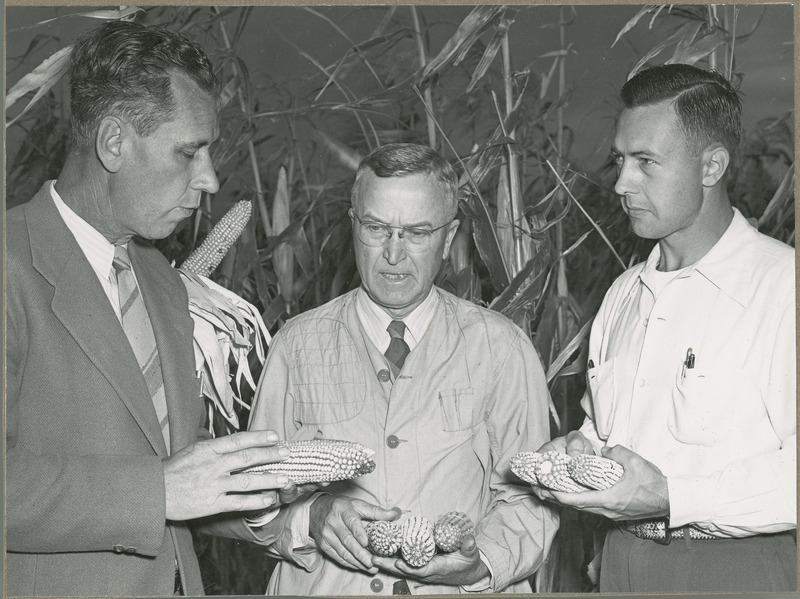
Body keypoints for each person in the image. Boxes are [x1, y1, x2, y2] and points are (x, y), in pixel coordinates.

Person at [5, 20, 304, 597]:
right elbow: (160, 489)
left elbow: (178, 484)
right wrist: (160, 489)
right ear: (114, 142)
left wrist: (291, 515)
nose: (211, 179)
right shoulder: (9, 265)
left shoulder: (162, 284)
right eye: (189, 152)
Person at [241, 143, 559, 595]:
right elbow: (252, 506)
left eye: (417, 232)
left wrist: (476, 565)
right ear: (353, 226)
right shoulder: (296, 344)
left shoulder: (502, 348)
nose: (394, 253)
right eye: (376, 228)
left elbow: (532, 501)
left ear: (449, 238)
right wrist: (307, 518)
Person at [531, 63, 796, 592]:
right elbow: (605, 429)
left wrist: (674, 497)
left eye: (646, 162)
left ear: (711, 166)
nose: (622, 183)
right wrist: (578, 451)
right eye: (620, 160)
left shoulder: (781, 288)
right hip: (619, 562)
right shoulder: (623, 295)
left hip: (736, 570)